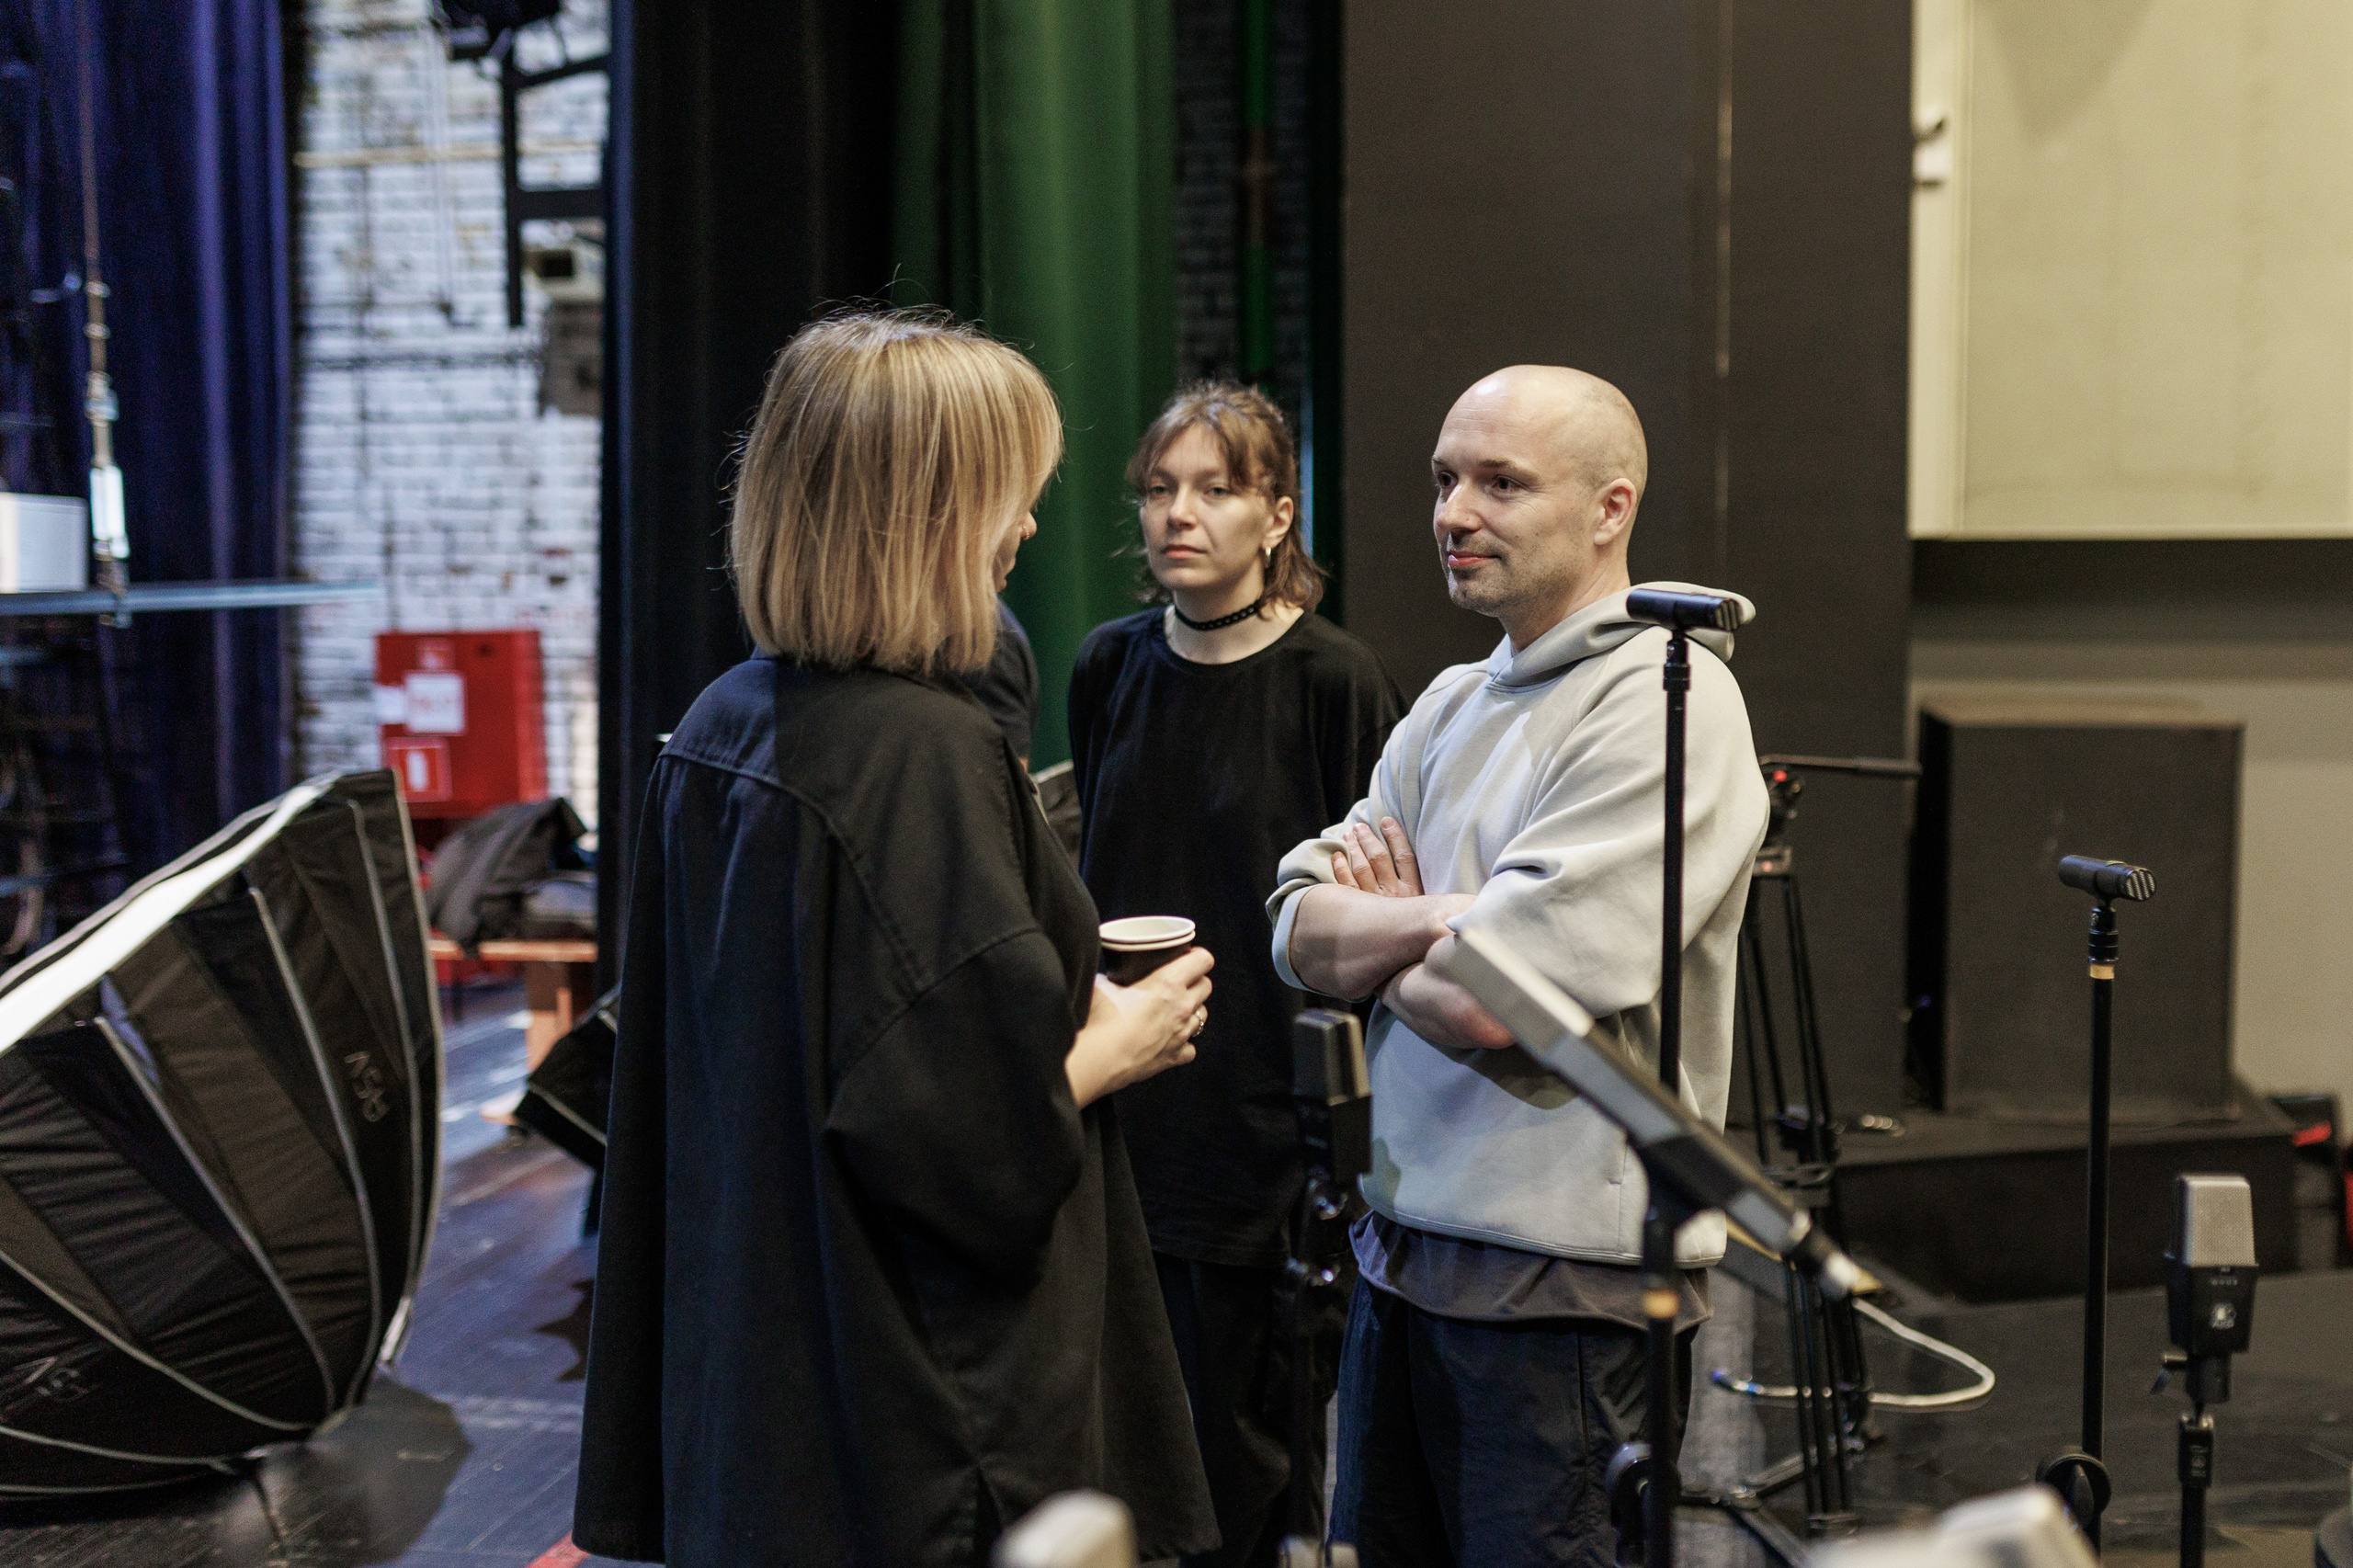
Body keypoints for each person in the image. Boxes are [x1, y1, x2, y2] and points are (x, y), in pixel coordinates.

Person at [574, 310, 1221, 1567]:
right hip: (919, 1421)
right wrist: (1122, 1040)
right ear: (924, 514)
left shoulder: (721, 726)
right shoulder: (919, 760)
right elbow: (964, 1146)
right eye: (1006, 496)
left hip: (770, 1393)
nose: (1025, 527)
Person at [1267, 366, 1770, 1567]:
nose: (1455, 513)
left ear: (1609, 508)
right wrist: (1447, 920)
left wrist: (1385, 938)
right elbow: (1291, 921)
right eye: (1445, 480)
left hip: (1564, 1303)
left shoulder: (1669, 703)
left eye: (1501, 483)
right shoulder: (1451, 702)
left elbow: (1493, 1004)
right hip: (1399, 1264)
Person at [1067, 382, 1402, 1567]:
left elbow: (1371, 917)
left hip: (1264, 1132)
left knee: (1256, 1465)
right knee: (1120, 1453)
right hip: (1125, 1108)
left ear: (1278, 514)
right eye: (1161, 489)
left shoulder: (1333, 680)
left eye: (1216, 489)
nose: (1180, 514)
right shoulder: (1110, 665)